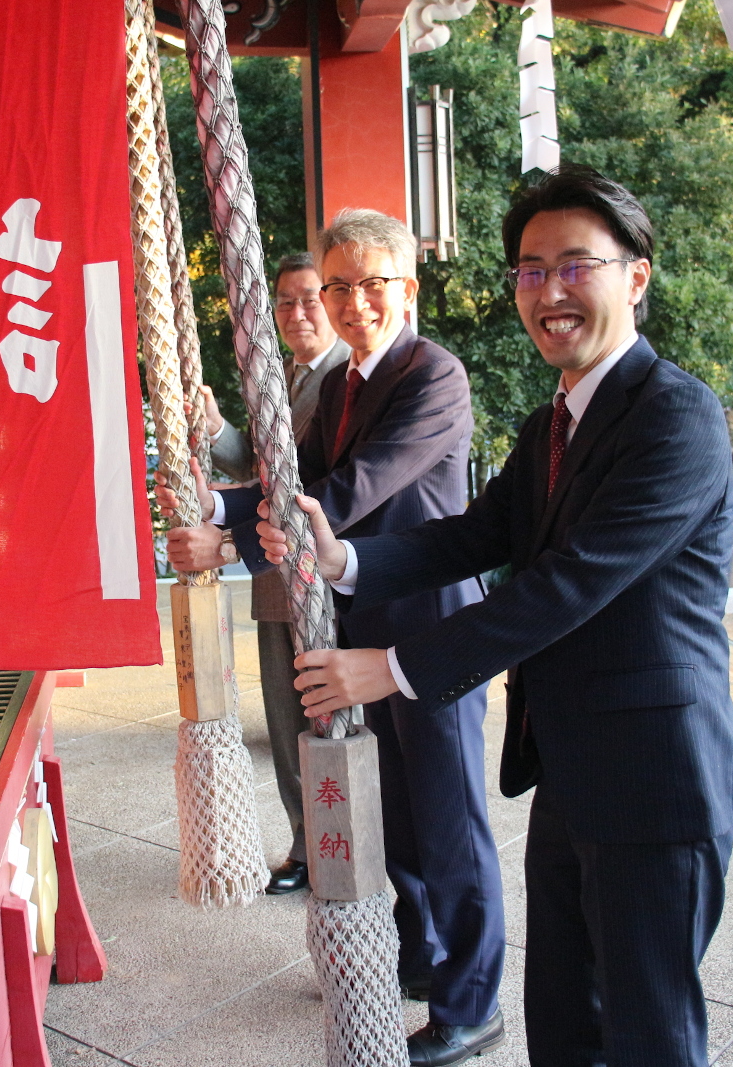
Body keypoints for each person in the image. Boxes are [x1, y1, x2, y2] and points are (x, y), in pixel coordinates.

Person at [257, 166, 733, 1067]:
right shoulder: (550, 422)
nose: (549, 291)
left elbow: (565, 585)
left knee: (650, 1034)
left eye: (574, 266)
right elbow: (473, 535)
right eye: (529, 270)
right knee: (562, 1022)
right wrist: (347, 558)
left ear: (634, 276)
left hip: (654, 778)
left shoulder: (675, 417)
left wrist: (394, 666)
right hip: (570, 770)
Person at [162, 209, 506, 1065]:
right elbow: (296, 475)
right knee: (400, 811)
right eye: (340, 286)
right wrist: (216, 507)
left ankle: (473, 1000)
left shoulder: (436, 375)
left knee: (451, 817)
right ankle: (419, 960)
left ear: (407, 290)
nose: (355, 304)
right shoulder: (348, 381)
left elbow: (349, 492)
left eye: (372, 285)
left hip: (429, 625)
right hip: (357, 624)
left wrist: (234, 542)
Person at [203, 252, 350, 894]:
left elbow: (309, 486)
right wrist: (217, 431)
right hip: (273, 583)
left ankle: (337, 844)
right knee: (286, 719)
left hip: (317, 578)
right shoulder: (286, 377)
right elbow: (263, 470)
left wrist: (227, 544)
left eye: (310, 298)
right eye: (284, 302)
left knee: (324, 723)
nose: (296, 313)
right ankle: (305, 843)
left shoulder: (347, 378)